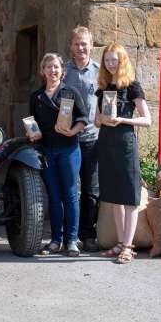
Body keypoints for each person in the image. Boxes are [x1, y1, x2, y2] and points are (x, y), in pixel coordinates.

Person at [94, 43, 151, 264]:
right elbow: (96, 121)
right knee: (114, 198)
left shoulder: (133, 87)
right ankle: (119, 242)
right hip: (106, 144)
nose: (110, 64)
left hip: (125, 145)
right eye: (107, 60)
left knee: (129, 197)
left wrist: (122, 120)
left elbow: (147, 120)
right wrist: (101, 119)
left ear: (122, 61)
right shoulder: (102, 89)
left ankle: (128, 247)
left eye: (114, 60)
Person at [29, 53, 88, 256]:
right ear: (43, 70)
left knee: (70, 194)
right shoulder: (36, 97)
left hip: (69, 149)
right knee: (54, 196)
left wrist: (73, 131)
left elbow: (83, 118)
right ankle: (55, 240)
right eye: (48, 67)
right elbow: (32, 122)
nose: (52, 70)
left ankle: (71, 240)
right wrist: (32, 133)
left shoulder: (70, 92)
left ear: (62, 70)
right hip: (47, 151)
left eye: (56, 67)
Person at [62, 26, 100, 252]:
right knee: (69, 188)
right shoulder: (63, 71)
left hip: (92, 138)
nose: (80, 48)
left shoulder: (99, 71)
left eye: (84, 43)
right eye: (76, 44)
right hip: (67, 138)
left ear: (91, 45)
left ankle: (88, 234)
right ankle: (69, 235)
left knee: (91, 190)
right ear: (71, 46)